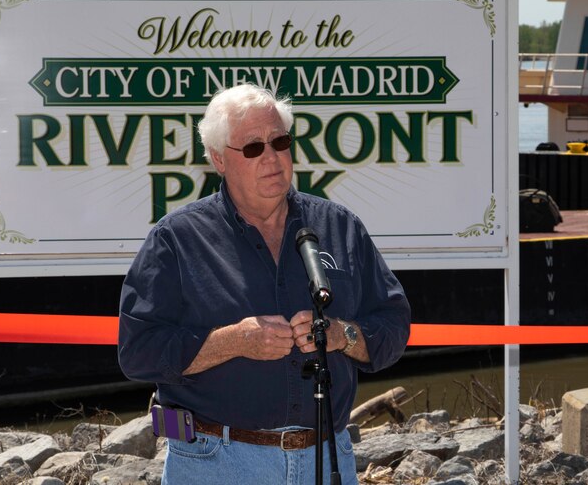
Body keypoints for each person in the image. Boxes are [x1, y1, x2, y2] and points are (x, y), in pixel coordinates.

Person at [118, 83, 411, 485]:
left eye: (280, 141)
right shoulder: (176, 239)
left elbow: (394, 326)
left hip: (327, 459)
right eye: (253, 148)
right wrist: (233, 341)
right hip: (214, 463)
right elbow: (138, 353)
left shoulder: (339, 227)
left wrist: (343, 334)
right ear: (219, 159)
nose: (271, 157)